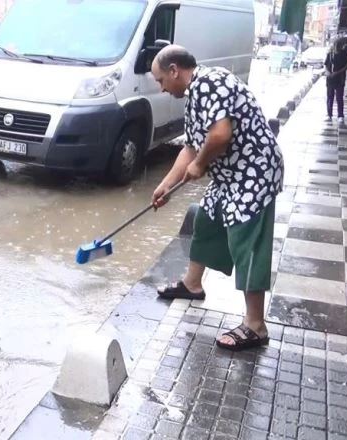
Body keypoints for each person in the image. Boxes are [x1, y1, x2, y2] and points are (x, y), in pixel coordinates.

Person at [149, 45, 284, 351]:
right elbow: (192, 147)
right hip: (229, 175)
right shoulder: (195, 95)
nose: (161, 87)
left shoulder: (211, 82)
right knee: (208, 218)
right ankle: (192, 284)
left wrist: (199, 165)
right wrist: (165, 185)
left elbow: (220, 135)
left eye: (160, 80)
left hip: (254, 172)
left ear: (174, 71)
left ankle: (255, 325)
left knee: (246, 239)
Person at [325, 39, 347, 123]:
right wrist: (328, 72)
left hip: (340, 79)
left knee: (339, 98)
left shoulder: (344, 54)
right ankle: (329, 114)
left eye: (338, 46)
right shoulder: (330, 54)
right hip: (330, 79)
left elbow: (346, 66)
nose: (336, 48)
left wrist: (337, 72)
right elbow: (326, 65)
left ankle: (340, 115)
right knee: (329, 97)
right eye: (335, 46)